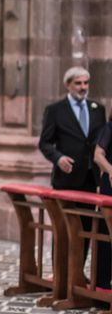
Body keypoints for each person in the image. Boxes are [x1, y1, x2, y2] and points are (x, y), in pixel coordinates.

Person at [39, 66, 106, 286]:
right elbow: (45, 143)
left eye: (86, 83)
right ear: (68, 84)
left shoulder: (98, 109)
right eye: (78, 83)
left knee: (85, 228)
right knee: (64, 227)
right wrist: (58, 158)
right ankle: (61, 273)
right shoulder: (55, 110)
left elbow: (99, 142)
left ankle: (77, 274)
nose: (83, 88)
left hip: (89, 179)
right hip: (66, 180)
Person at [93, 113, 112, 291]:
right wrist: (111, 170)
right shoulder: (109, 128)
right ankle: (102, 283)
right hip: (110, 186)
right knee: (106, 234)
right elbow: (98, 155)